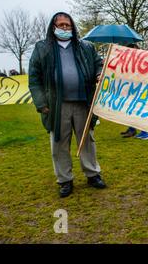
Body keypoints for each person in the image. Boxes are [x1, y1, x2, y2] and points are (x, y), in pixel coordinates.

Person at [28, 12, 107, 198]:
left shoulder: (85, 47)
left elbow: (99, 64)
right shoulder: (42, 48)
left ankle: (92, 174)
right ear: (53, 27)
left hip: (83, 103)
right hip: (56, 105)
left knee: (87, 140)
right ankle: (65, 180)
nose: (65, 28)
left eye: (68, 25)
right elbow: (34, 79)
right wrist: (41, 103)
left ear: (73, 27)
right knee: (59, 144)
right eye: (61, 25)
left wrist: (98, 73)